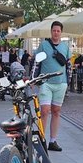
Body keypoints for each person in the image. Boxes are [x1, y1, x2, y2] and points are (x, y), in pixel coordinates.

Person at [36, 21, 70, 152]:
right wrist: (34, 79)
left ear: (61, 32)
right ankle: (41, 139)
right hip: (46, 82)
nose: (56, 33)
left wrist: (67, 82)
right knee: (44, 111)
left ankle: (53, 140)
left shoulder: (65, 47)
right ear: (51, 31)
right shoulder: (44, 45)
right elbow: (36, 62)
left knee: (56, 111)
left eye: (58, 31)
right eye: (54, 30)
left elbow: (68, 65)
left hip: (61, 83)